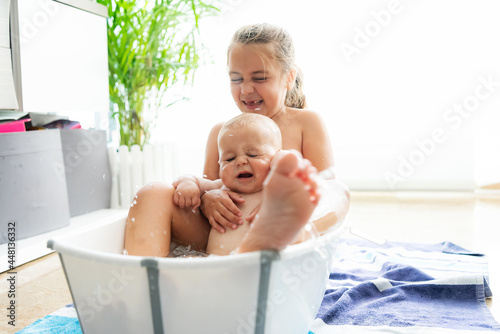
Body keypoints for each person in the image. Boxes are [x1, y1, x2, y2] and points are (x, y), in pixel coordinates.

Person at [201, 23, 349, 235]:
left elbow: (326, 191)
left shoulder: (306, 123)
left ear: (289, 77)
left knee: (339, 192)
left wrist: (284, 205)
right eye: (236, 79)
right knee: (161, 193)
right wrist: (208, 200)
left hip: (290, 232)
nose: (246, 89)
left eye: (259, 78)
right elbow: (207, 186)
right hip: (234, 236)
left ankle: (293, 234)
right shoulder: (220, 132)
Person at [124, 113, 321, 256]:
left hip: (254, 267)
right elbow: (189, 179)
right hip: (213, 266)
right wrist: (188, 184)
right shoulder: (221, 187)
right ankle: (147, 277)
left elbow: (286, 164)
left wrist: (284, 166)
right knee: (189, 259)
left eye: (253, 155)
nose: (240, 161)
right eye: (229, 158)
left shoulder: (272, 189)